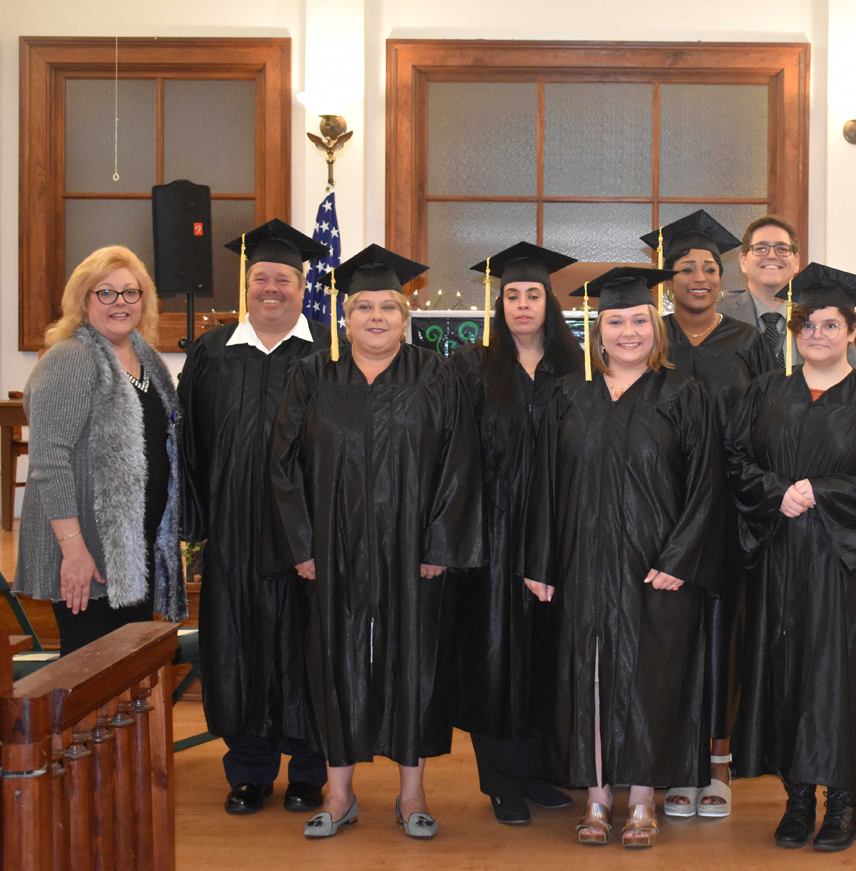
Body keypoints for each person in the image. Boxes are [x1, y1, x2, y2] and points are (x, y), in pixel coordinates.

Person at [268, 245, 483, 840]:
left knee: (413, 659)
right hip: (331, 548)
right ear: (344, 316)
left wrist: (441, 542)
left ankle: (411, 793)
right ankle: (339, 795)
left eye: (389, 306)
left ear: (405, 316)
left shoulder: (433, 374)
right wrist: (302, 543)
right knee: (332, 659)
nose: (377, 317)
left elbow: (459, 461)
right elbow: (282, 463)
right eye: (364, 306)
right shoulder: (313, 374)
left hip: (412, 547)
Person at [524, 267, 723, 849]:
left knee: (651, 677)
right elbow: (544, 486)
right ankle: (595, 797)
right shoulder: (568, 394)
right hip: (582, 561)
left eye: (639, 320)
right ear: (597, 327)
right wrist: (539, 562)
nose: (628, 331)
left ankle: (641, 799)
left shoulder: (684, 394)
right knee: (585, 673)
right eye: (615, 321)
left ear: (655, 326)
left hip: (654, 564)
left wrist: (680, 557)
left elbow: (706, 485)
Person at [727, 263, 856, 852]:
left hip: (845, 562)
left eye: (830, 324)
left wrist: (824, 492)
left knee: (838, 680)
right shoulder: (766, 391)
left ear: (850, 331)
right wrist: (774, 492)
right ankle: (795, 802)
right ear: (793, 331)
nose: (817, 334)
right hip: (780, 555)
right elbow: (733, 461)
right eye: (807, 324)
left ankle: (842, 806)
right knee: (785, 673)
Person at [178, 219, 330, 816]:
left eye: (284, 278)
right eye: (261, 277)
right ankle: (247, 770)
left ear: (302, 285)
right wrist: (196, 525)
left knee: (304, 648)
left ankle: (308, 771)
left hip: (306, 535)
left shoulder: (327, 351)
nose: (272, 288)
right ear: (247, 286)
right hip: (235, 531)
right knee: (235, 644)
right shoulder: (213, 354)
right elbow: (188, 443)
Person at [640, 210, 772, 820]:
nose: (698, 276)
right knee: (667, 638)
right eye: (685, 267)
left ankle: (717, 766)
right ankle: (672, 764)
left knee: (725, 636)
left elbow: (771, 425)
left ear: (724, 279)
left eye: (709, 268)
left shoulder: (749, 341)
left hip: (730, 513)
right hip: (658, 512)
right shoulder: (650, 337)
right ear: (666, 279)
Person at [443, 242, 581, 825]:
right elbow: (454, 457)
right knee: (494, 658)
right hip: (491, 536)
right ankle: (501, 780)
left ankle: (541, 772)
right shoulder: (470, 368)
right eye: (512, 296)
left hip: (557, 531)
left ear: (549, 302)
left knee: (550, 654)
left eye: (533, 294)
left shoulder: (577, 369)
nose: (522, 305)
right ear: (497, 305)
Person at [15, 246, 187, 655]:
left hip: (132, 550)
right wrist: (73, 550)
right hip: (87, 549)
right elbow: (48, 460)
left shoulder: (144, 357)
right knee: (91, 677)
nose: (120, 303)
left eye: (131, 292)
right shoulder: (72, 357)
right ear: (84, 299)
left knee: (127, 673)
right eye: (105, 293)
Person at [718, 215, 856, 371]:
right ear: (743, 262)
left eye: (782, 249)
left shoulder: (825, 315)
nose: (772, 256)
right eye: (760, 248)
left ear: (796, 262)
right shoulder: (718, 314)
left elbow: (854, 381)